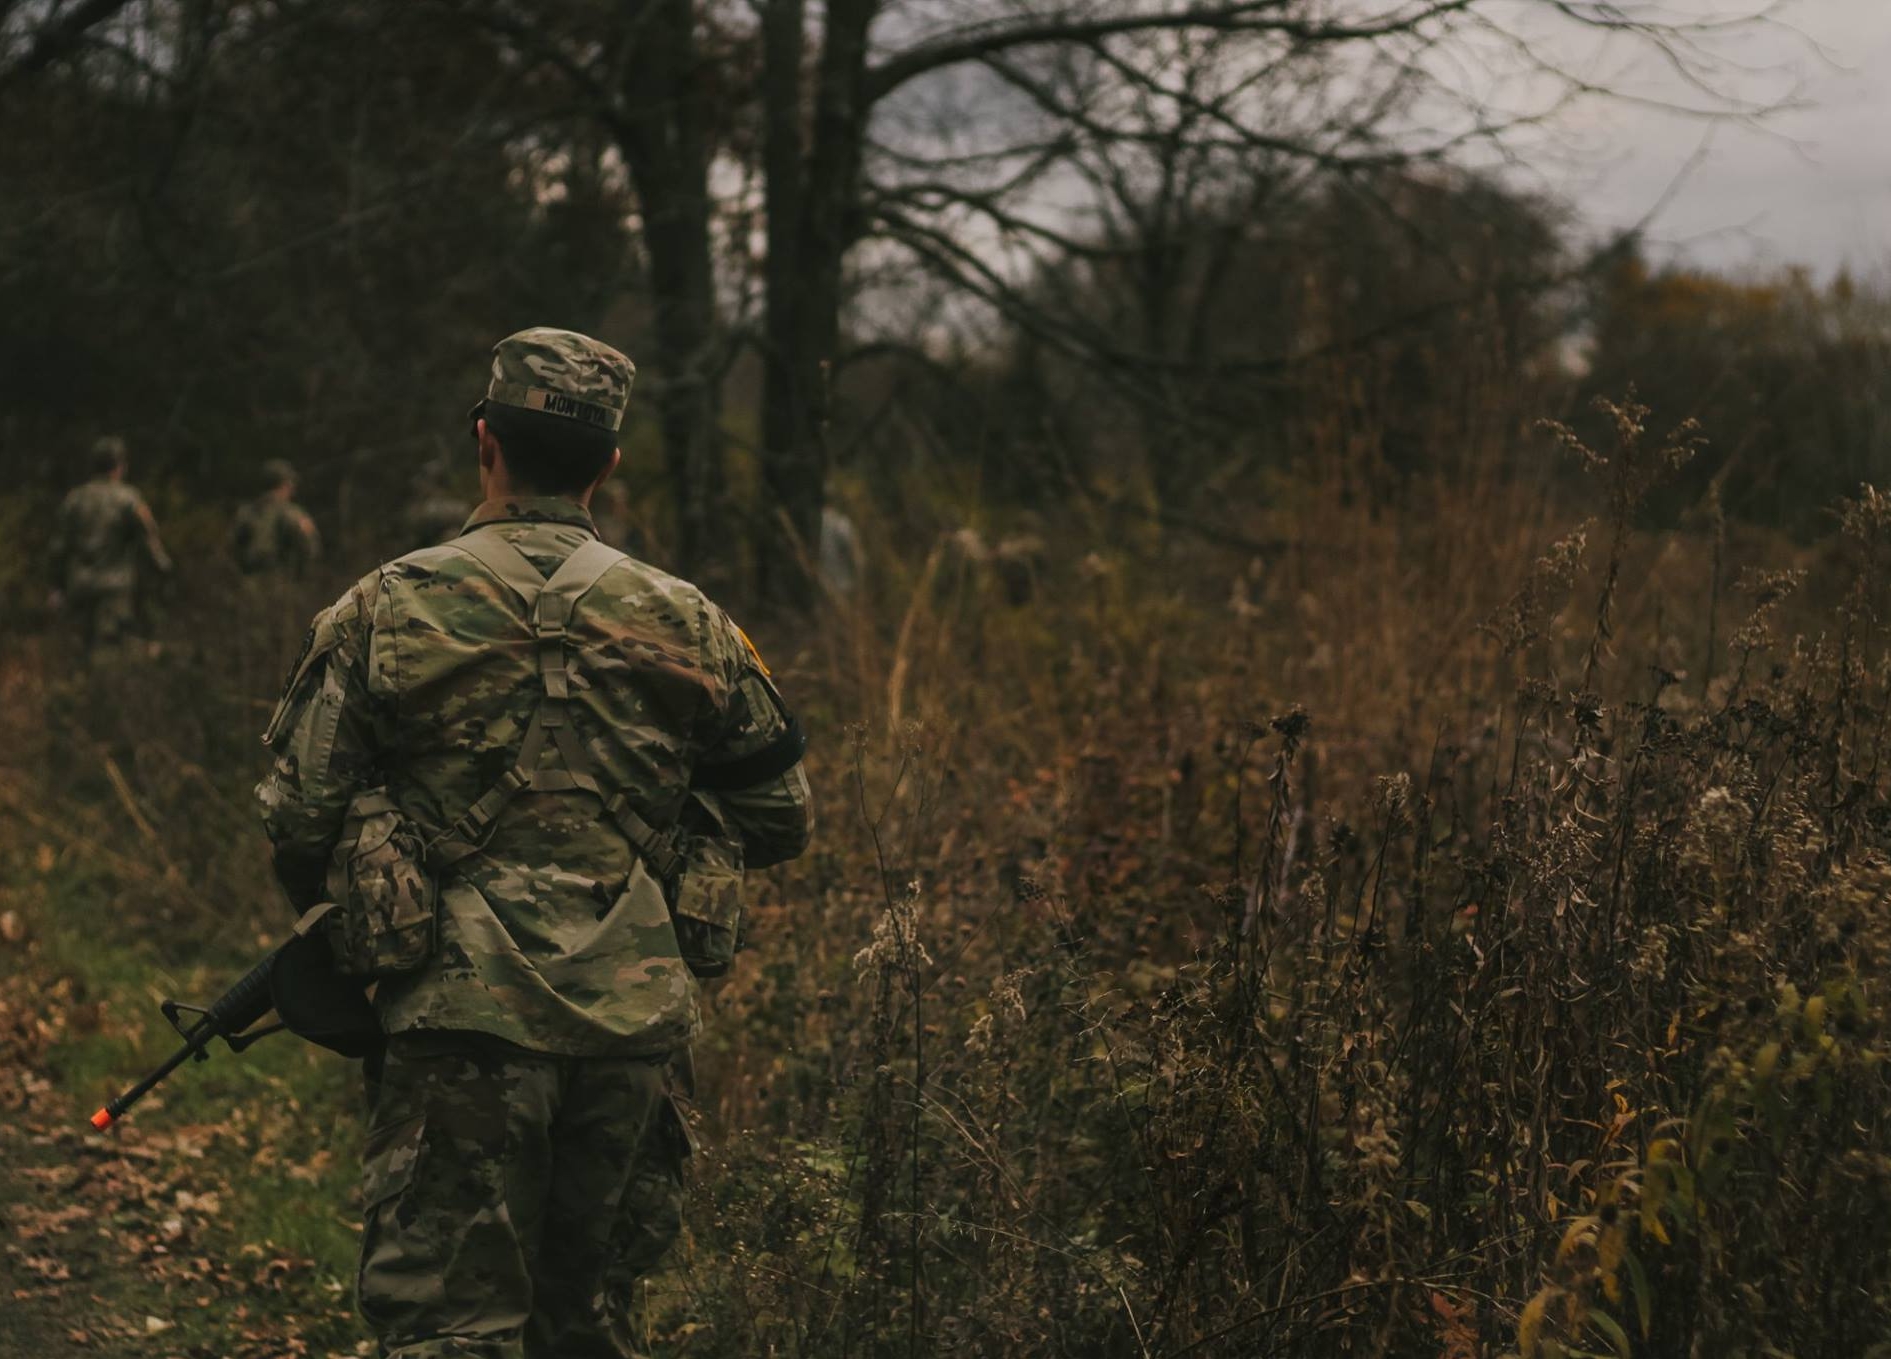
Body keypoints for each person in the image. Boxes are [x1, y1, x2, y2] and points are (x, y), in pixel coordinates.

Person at [255, 327, 813, 1358]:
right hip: (635, 1034)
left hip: (456, 1026)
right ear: (607, 464)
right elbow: (782, 815)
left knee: (450, 1331)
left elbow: (295, 812)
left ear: (483, 443)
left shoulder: (386, 606)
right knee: (589, 1326)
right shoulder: (689, 621)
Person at [48, 435, 173, 654]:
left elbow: (58, 548)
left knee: (79, 652)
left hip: (79, 587)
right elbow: (148, 541)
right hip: (114, 590)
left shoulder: (75, 499)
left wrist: (56, 586)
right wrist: (165, 570)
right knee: (110, 651)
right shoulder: (128, 499)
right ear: (120, 466)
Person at [232, 458, 321, 576]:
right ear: (284, 484)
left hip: (246, 584)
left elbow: (232, 548)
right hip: (281, 582)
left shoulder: (245, 511)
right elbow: (310, 548)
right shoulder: (292, 513)